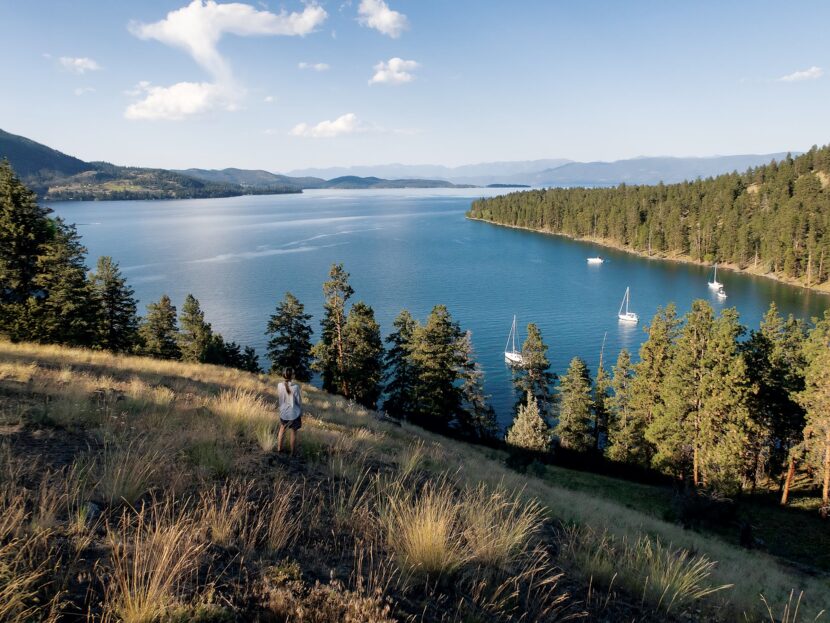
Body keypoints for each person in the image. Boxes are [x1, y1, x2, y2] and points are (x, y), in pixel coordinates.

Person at [277, 367, 302, 455]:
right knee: (293, 432)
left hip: (283, 412)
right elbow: (298, 402)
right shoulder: (295, 387)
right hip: (293, 414)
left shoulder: (279, 385)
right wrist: (300, 412)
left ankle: (279, 449)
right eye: (293, 373)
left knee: (282, 429)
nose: (294, 374)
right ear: (291, 376)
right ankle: (292, 453)